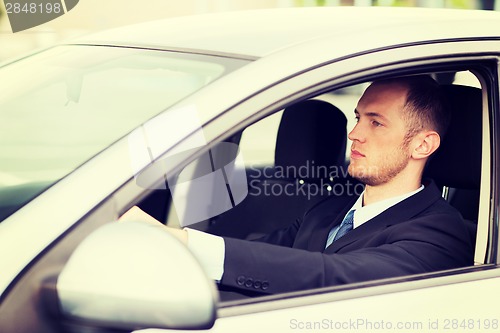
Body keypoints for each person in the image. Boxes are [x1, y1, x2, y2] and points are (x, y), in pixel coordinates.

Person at [121, 76, 474, 295]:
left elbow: (334, 276)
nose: (354, 134)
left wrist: (183, 240)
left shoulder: (440, 232)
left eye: (376, 123)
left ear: (422, 145)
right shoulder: (330, 206)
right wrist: (169, 252)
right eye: (357, 118)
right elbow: (265, 252)